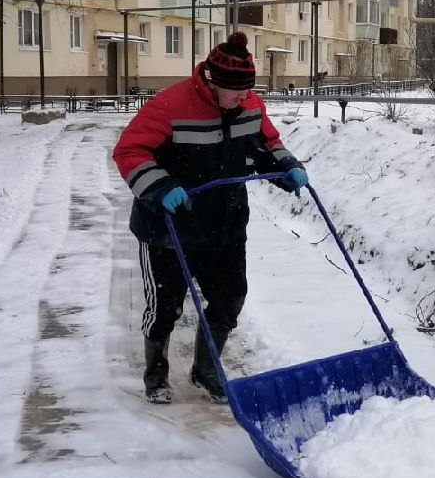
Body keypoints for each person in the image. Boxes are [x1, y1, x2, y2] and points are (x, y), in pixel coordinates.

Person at [113, 31, 308, 404]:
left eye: (247, 90)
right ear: (212, 82)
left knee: (230, 297)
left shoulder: (250, 104)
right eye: (235, 91)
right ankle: (156, 375)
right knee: (165, 308)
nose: (244, 97)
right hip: (169, 228)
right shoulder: (171, 106)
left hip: (225, 224)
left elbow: (266, 144)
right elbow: (130, 151)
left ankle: (206, 371)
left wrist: (287, 166)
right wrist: (160, 187)